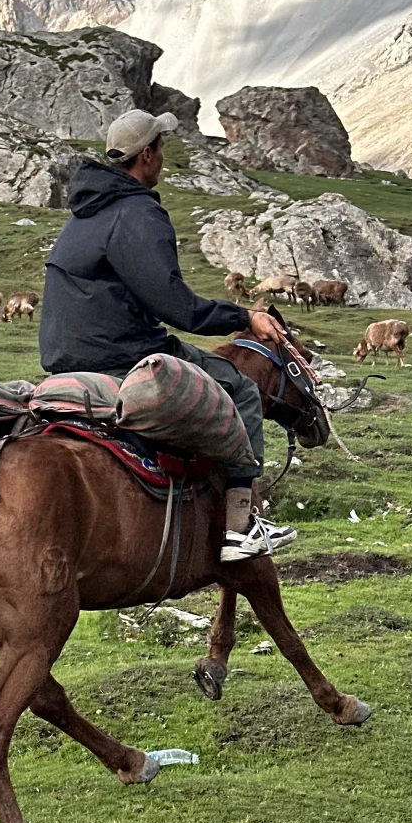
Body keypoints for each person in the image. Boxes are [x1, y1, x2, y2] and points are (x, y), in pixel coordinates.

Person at [38, 108, 296, 562]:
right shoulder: (137, 212)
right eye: (161, 147)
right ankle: (240, 525)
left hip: (63, 358)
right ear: (147, 155)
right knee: (241, 391)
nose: (163, 157)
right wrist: (245, 318)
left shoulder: (83, 213)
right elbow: (176, 307)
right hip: (122, 354)